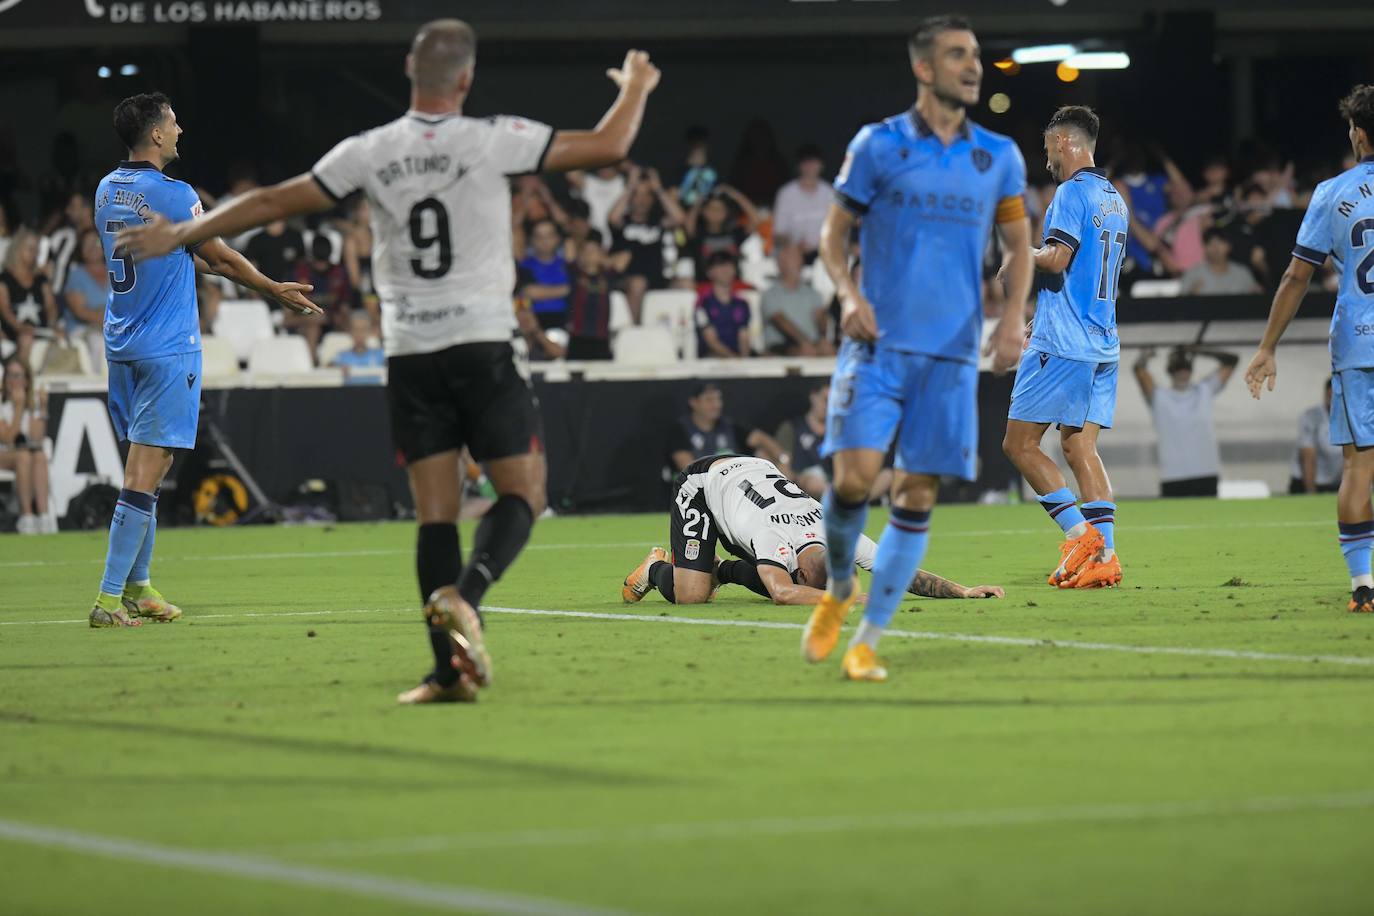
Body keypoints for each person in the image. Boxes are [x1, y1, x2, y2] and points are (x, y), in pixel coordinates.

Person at [120, 21, 660, 700]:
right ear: (464, 79)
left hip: (411, 356)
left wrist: (187, 231)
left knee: (436, 516)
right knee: (523, 494)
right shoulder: (493, 138)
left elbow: (274, 199)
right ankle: (470, 595)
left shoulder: (370, 150)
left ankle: (446, 671)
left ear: (410, 69)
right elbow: (610, 144)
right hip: (481, 344)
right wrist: (637, 86)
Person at [802, 14, 1032, 682]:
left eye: (977, 56)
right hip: (879, 345)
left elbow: (1018, 245)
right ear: (924, 68)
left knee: (915, 495)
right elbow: (831, 234)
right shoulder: (877, 146)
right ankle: (840, 586)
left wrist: (1013, 317)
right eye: (958, 55)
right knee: (851, 479)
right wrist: (848, 293)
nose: (973, 66)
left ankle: (867, 639)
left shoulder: (999, 156)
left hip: (952, 354)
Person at [88, 92, 321, 629]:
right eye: (172, 122)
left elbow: (193, 256)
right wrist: (272, 288)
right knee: (144, 472)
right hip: (167, 348)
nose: (180, 129)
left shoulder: (106, 189)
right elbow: (215, 256)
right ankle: (106, 600)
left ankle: (140, 587)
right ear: (155, 135)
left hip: (122, 343)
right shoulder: (174, 195)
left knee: (156, 463)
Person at [1245, 84, 1374, 613]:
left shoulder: (1333, 193)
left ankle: (1364, 584)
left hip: (1359, 346)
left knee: (1358, 468)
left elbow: (1298, 275)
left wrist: (1267, 346)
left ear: (1359, 135)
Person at [1003, 106, 1127, 590]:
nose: (1046, 158)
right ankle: (1107, 558)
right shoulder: (1114, 198)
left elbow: (1056, 259)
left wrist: (1020, 258)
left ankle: (1082, 538)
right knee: (1080, 446)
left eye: (1047, 147)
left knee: (1019, 443)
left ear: (1062, 142)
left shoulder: (1070, 193)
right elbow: (1085, 275)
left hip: (1066, 345)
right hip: (1104, 343)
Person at [621, 454, 1003, 606]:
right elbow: (785, 593)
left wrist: (964, 591)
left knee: (767, 575)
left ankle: (720, 569)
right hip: (704, 484)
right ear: (801, 569)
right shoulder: (773, 538)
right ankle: (654, 569)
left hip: (755, 476)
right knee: (692, 597)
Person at [1134, 345, 1237, 497]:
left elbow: (1232, 361)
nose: (1182, 373)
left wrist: (1198, 350)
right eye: (1177, 369)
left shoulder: (1204, 390)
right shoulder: (1160, 397)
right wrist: (1145, 356)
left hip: (1206, 473)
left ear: (1190, 371)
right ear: (1171, 372)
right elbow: (1139, 370)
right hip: (1172, 476)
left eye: (1186, 368)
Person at [608, 166, 684, 322]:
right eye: (637, 195)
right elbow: (613, 218)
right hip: (626, 280)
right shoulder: (624, 223)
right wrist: (630, 187)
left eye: (647, 195)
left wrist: (658, 189)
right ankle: (635, 330)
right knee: (638, 283)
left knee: (686, 284)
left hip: (657, 278)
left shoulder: (657, 223)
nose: (642, 200)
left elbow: (679, 219)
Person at [668, 382, 784, 472]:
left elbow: (759, 438)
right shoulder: (681, 430)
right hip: (700, 494)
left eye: (718, 399)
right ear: (694, 403)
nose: (716, 405)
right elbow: (689, 469)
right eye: (709, 399)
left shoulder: (728, 427)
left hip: (734, 487)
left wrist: (782, 460)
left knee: (762, 456)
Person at [0, 356, 53, 534]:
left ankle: (44, 516)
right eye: (10, 376)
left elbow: (36, 439)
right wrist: (18, 406)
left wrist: (43, 408)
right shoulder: (3, 404)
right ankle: (27, 516)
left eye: (18, 376)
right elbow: (8, 439)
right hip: (4, 454)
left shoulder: (31, 405)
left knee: (38, 455)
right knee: (24, 456)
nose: (14, 381)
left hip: (24, 456)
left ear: (26, 380)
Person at [0, 227, 60, 362]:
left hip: (40, 330)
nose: (35, 254)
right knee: (26, 338)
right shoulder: (4, 279)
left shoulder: (41, 280)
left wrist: (51, 324)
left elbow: (51, 307)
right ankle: (23, 375)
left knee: (60, 336)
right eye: (30, 249)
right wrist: (20, 327)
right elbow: (4, 309)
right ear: (17, 249)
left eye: (37, 250)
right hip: (13, 332)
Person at [760, 238, 829, 355]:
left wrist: (822, 338)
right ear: (780, 263)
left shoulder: (812, 293)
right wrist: (804, 342)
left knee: (828, 349)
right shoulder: (770, 295)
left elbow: (820, 317)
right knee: (806, 352)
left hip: (811, 342)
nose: (800, 261)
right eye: (793, 257)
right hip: (780, 345)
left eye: (800, 256)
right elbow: (781, 322)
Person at [290, 234, 354, 357]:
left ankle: (348, 362)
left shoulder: (339, 273)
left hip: (332, 321)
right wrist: (311, 319)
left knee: (351, 323)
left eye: (324, 263)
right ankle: (312, 365)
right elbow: (286, 319)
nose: (321, 267)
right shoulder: (299, 273)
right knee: (313, 327)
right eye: (318, 263)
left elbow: (345, 306)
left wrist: (340, 318)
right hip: (303, 323)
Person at [685, 185, 758, 283]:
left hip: (732, 286)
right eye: (711, 209)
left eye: (720, 209)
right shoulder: (699, 234)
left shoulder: (734, 233)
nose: (715, 213)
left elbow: (755, 218)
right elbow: (688, 223)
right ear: (703, 212)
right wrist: (700, 199)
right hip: (706, 287)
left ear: (726, 213)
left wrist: (734, 194)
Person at [565, 230, 619, 360]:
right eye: (585, 251)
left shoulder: (607, 275)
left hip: (600, 335)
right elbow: (569, 244)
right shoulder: (575, 273)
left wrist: (604, 260)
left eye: (593, 251)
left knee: (601, 375)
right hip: (578, 335)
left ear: (602, 254)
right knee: (575, 375)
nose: (589, 255)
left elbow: (625, 257)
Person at [772, 145, 832, 256]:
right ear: (799, 166)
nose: (810, 166)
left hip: (824, 251)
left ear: (821, 165)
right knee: (789, 256)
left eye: (813, 162)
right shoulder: (786, 193)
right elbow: (778, 233)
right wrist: (794, 245)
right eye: (806, 162)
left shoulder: (830, 192)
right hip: (796, 252)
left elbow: (838, 229)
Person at [775, 381, 829, 498]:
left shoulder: (840, 431)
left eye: (834, 402)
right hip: (801, 480)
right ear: (813, 397)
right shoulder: (793, 427)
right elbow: (784, 462)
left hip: (833, 481)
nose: (829, 406)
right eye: (825, 400)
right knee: (815, 482)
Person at [695, 251, 752, 358]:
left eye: (729, 265)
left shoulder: (742, 304)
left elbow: (744, 337)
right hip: (712, 357)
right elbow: (711, 341)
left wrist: (745, 361)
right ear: (709, 272)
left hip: (738, 357)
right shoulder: (702, 305)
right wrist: (735, 360)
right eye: (720, 266)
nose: (725, 270)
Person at [1290, 377, 1342, 494]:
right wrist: (1310, 491)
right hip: (1305, 481)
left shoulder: (1351, 418)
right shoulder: (1311, 417)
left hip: (1335, 481)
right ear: (1326, 395)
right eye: (1330, 397)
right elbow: (1308, 457)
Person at [518, 218, 571, 330]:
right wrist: (565, 290)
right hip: (534, 324)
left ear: (557, 238)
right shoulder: (524, 266)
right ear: (532, 240)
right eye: (539, 237)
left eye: (549, 236)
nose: (544, 241)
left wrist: (542, 292)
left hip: (565, 323)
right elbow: (529, 292)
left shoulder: (568, 266)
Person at [1180, 228, 1262, 296]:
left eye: (1220, 242)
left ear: (1229, 246)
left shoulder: (1242, 273)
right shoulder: (1193, 273)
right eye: (1210, 243)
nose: (1215, 248)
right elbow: (1181, 305)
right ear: (1204, 248)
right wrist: (1191, 296)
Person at [242, 219, 307, 304]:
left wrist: (302, 293)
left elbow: (302, 266)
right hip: (265, 293)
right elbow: (250, 270)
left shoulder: (295, 237)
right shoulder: (256, 241)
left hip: (291, 293)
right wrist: (254, 294)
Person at [59, 229, 110, 335]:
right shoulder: (76, 275)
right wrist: (108, 321)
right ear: (81, 250)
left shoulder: (116, 272)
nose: (92, 247)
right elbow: (80, 311)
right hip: (84, 330)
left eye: (95, 242)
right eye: (86, 244)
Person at [332, 308, 385, 384]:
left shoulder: (380, 355)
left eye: (363, 329)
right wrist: (337, 369)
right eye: (356, 329)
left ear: (369, 331)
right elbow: (328, 369)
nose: (359, 333)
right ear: (350, 331)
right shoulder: (342, 356)